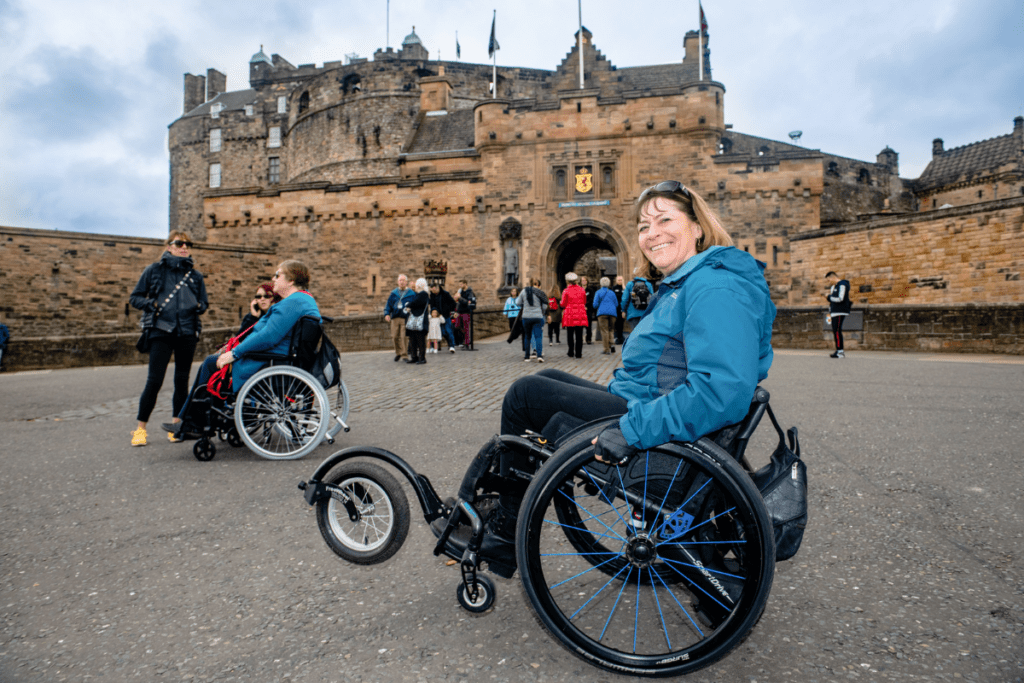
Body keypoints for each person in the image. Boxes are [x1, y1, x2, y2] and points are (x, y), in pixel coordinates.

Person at [440, 180, 776, 569]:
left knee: (525, 395)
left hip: (656, 429)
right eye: (644, 227)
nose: (652, 234)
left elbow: (720, 392)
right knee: (549, 380)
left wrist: (631, 429)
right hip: (650, 407)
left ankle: (504, 531)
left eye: (665, 219)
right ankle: (504, 511)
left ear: (698, 226)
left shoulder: (715, 286)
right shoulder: (688, 282)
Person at [163, 260, 320, 438]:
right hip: (275, 357)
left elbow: (268, 336)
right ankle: (196, 421)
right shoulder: (302, 300)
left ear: (291, 280)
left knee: (210, 364)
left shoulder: (293, 302)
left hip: (269, 360)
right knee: (213, 363)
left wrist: (235, 353)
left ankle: (196, 424)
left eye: (278, 275)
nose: (273, 278)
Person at [129, 232, 208, 447]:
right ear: (169, 246)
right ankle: (140, 429)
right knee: (154, 381)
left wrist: (199, 306)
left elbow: (204, 302)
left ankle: (177, 425)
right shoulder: (154, 271)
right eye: (179, 243)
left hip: (187, 331)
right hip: (161, 331)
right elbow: (135, 298)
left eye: (188, 244)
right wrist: (151, 305)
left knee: (181, 381)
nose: (184, 247)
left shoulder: (195, 276)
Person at [383, 275, 416, 362]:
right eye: (400, 280)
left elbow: (415, 305)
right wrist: (386, 314)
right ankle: (398, 353)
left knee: (404, 337)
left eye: (403, 280)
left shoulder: (411, 293)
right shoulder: (393, 293)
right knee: (394, 336)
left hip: (405, 318)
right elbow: (388, 305)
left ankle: (404, 355)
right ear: (398, 282)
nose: (401, 282)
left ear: (406, 282)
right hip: (395, 318)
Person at [516, 278, 548, 363]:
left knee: (527, 336)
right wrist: (541, 311)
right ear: (538, 284)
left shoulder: (524, 291)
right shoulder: (540, 292)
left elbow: (517, 303)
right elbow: (545, 306)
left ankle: (527, 357)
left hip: (526, 317)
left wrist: (525, 305)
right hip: (537, 316)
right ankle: (539, 355)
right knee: (538, 336)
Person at [559, 272, 588, 359]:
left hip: (570, 314)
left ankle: (571, 351)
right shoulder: (582, 290)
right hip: (580, 313)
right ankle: (579, 353)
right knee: (579, 334)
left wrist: (561, 303)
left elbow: (563, 304)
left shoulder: (566, 290)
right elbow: (584, 301)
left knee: (570, 334)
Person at [403, 278, 431, 364]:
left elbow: (415, 303)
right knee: (413, 340)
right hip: (415, 320)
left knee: (420, 340)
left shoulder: (423, 294)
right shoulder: (419, 294)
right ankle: (414, 357)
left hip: (420, 321)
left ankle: (422, 358)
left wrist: (408, 305)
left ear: (419, 285)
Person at [825, 271, 852, 358]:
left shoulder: (842, 284)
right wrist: (830, 312)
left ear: (833, 277)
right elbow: (833, 301)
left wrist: (828, 297)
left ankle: (840, 352)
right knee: (835, 331)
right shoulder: (834, 287)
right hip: (834, 312)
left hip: (840, 311)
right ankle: (838, 351)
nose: (829, 282)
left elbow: (841, 298)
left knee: (837, 330)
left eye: (829, 280)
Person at [591, 276, 619, 355]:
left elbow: (595, 305)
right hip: (612, 313)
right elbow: (616, 304)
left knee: (604, 331)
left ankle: (606, 349)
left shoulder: (598, 292)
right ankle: (612, 344)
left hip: (602, 313)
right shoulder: (612, 292)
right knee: (611, 330)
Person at [429, 282, 458, 353]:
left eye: (434, 290)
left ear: (437, 288)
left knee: (449, 331)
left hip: (446, 316)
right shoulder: (432, 295)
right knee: (442, 332)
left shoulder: (445, 294)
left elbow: (453, 303)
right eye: (432, 291)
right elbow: (432, 306)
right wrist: (433, 313)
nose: (433, 292)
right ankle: (447, 344)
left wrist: (449, 311)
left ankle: (452, 346)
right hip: (437, 317)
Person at [455, 279, 477, 349]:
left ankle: (467, 343)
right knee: (457, 326)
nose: (460, 285)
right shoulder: (460, 291)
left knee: (466, 328)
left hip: (466, 312)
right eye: (459, 284)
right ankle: (466, 339)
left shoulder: (469, 292)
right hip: (459, 311)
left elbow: (468, 302)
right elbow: (457, 301)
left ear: (465, 284)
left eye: (461, 284)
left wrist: (460, 298)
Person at [581, 275, 595, 345]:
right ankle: (580, 339)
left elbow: (591, 299)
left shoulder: (590, 290)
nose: (584, 282)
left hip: (588, 309)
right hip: (580, 309)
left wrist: (586, 305)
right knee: (580, 325)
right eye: (582, 280)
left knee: (589, 325)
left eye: (585, 280)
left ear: (587, 281)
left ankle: (588, 339)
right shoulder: (579, 289)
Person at [612, 275, 626, 344]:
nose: (620, 281)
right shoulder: (614, 288)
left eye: (621, 280)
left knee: (621, 323)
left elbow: (626, 296)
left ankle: (621, 337)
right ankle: (616, 337)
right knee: (616, 323)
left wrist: (624, 288)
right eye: (619, 280)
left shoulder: (624, 288)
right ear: (616, 281)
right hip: (616, 308)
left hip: (623, 308)